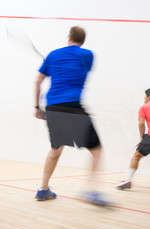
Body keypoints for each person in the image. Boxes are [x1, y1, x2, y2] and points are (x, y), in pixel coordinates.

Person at [33, 26, 109, 205]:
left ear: (69, 37)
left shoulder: (52, 55)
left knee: (56, 149)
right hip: (73, 107)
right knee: (96, 150)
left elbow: (37, 82)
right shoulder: (88, 55)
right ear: (82, 40)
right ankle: (92, 191)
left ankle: (43, 189)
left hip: (53, 108)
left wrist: (37, 107)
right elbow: (81, 71)